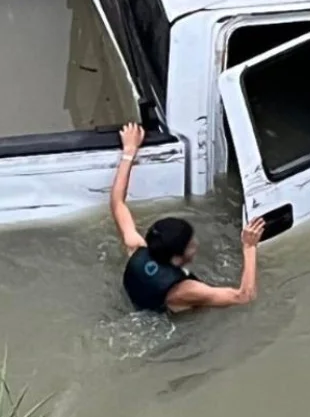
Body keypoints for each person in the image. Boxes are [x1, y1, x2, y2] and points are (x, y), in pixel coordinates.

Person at [112, 122, 265, 313]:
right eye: (191, 245)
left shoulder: (136, 248)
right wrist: (249, 247)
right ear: (177, 257)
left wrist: (129, 151)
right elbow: (244, 297)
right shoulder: (185, 290)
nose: (196, 244)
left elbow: (118, 203)